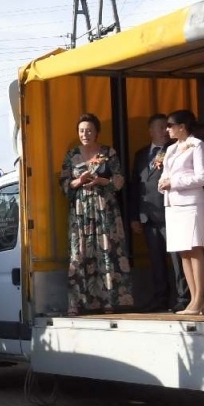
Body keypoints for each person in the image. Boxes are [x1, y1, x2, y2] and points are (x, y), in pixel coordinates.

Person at [61, 114, 133, 313]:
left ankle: (110, 301)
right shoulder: (71, 155)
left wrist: (104, 181)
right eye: (82, 130)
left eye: (89, 130)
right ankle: (77, 304)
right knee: (79, 253)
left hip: (104, 208)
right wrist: (78, 181)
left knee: (107, 251)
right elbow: (64, 184)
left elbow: (119, 179)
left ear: (97, 132)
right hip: (81, 211)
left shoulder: (108, 152)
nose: (85, 134)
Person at [131, 114, 188, 311]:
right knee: (156, 260)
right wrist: (134, 215)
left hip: (169, 211)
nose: (165, 131)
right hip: (147, 215)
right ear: (151, 131)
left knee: (177, 259)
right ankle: (160, 298)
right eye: (161, 127)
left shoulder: (173, 150)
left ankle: (183, 296)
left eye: (167, 127)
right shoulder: (141, 154)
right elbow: (135, 186)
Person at [159, 109, 204, 315]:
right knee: (183, 251)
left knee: (195, 248)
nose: (168, 129)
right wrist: (164, 183)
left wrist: (175, 182)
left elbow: (202, 177)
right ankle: (194, 299)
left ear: (182, 127)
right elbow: (166, 174)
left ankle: (199, 299)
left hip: (190, 204)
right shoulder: (171, 149)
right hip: (173, 204)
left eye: (171, 125)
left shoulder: (197, 145)